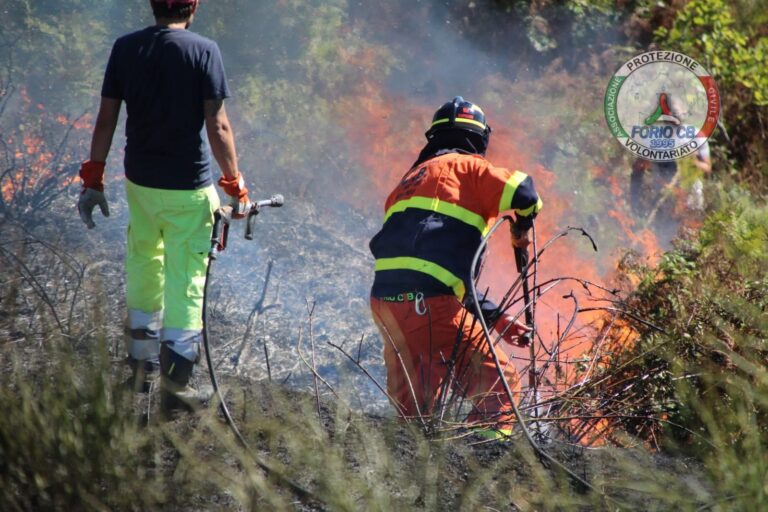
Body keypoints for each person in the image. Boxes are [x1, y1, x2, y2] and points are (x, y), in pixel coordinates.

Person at [77, 0, 251, 410]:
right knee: (186, 279)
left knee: (144, 265)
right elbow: (218, 124)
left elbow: (106, 119)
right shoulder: (203, 50)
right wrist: (235, 186)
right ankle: (178, 389)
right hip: (188, 188)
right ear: (193, 7)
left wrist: (93, 179)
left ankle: (140, 373)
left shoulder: (126, 47)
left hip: (139, 184)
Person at [369, 96, 543, 437]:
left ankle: (410, 477)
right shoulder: (470, 169)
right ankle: (473, 472)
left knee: (414, 418)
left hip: (386, 305)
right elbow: (526, 193)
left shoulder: (405, 185)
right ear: (479, 140)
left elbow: (432, 268)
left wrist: (496, 318)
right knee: (500, 389)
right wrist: (521, 229)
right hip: (429, 307)